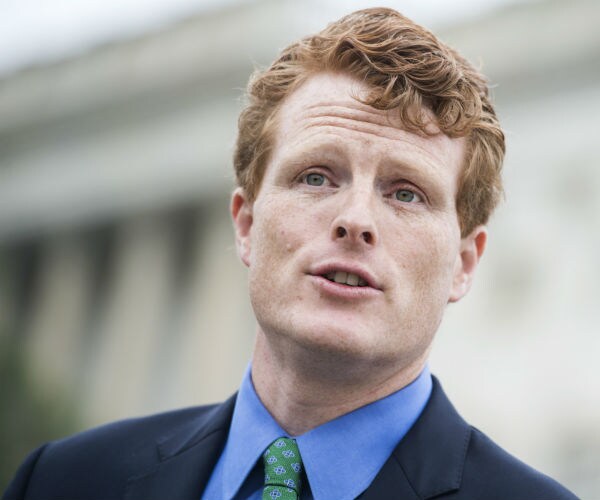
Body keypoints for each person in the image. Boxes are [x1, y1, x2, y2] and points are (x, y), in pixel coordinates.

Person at [3, 8, 576, 500]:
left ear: (464, 264)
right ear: (247, 224)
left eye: (406, 193)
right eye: (316, 177)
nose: (355, 220)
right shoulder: (63, 479)